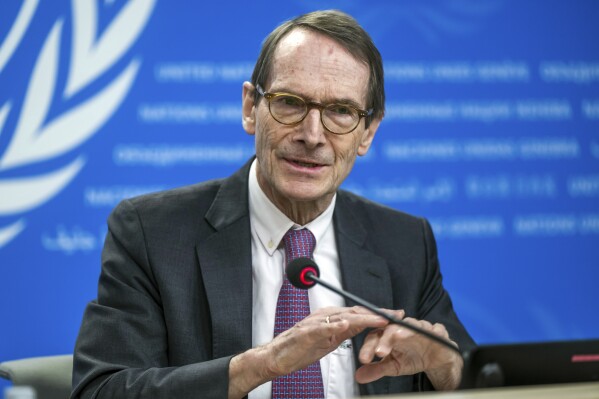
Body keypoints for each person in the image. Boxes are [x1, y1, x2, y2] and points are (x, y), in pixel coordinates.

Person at [72, 9, 475, 399]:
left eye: (340, 111)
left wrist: (449, 371)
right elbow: (101, 389)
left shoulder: (404, 243)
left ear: (367, 132)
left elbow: (489, 379)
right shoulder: (151, 233)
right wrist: (263, 364)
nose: (312, 135)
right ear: (251, 108)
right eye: (290, 102)